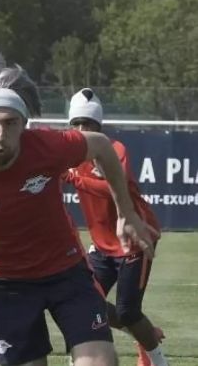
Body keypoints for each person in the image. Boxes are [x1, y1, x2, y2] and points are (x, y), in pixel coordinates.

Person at [0, 48, 157, 366]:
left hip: (66, 272)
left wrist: (126, 212)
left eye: (11, 123)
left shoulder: (49, 147)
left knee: (100, 363)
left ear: (24, 123)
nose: (0, 135)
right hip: (5, 284)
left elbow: (103, 147)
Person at [64, 88, 168, 366]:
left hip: (135, 239)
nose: (83, 129)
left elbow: (113, 185)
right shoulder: (67, 154)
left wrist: (75, 179)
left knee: (128, 311)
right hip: (101, 245)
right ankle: (142, 335)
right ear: (70, 125)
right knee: (83, 302)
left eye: (89, 124)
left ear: (100, 127)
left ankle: (157, 359)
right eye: (77, 124)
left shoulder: (114, 149)